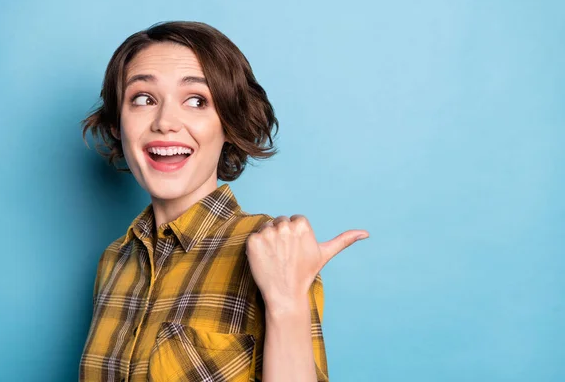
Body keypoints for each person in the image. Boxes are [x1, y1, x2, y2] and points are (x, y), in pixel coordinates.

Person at [79, 20, 369, 382]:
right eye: (143, 99)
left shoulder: (273, 249)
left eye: (197, 101)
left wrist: (286, 303)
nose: (166, 122)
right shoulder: (115, 259)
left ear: (228, 124)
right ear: (117, 127)